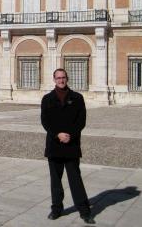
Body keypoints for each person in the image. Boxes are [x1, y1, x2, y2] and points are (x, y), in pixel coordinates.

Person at [40, 68, 95, 224]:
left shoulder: (77, 98)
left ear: (67, 78)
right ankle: (56, 209)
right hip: (54, 144)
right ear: (54, 79)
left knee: (75, 180)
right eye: (58, 78)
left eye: (63, 77)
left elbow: (81, 120)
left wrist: (69, 134)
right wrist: (58, 134)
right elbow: (45, 121)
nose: (61, 80)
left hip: (71, 145)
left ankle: (85, 211)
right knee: (55, 181)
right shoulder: (47, 99)